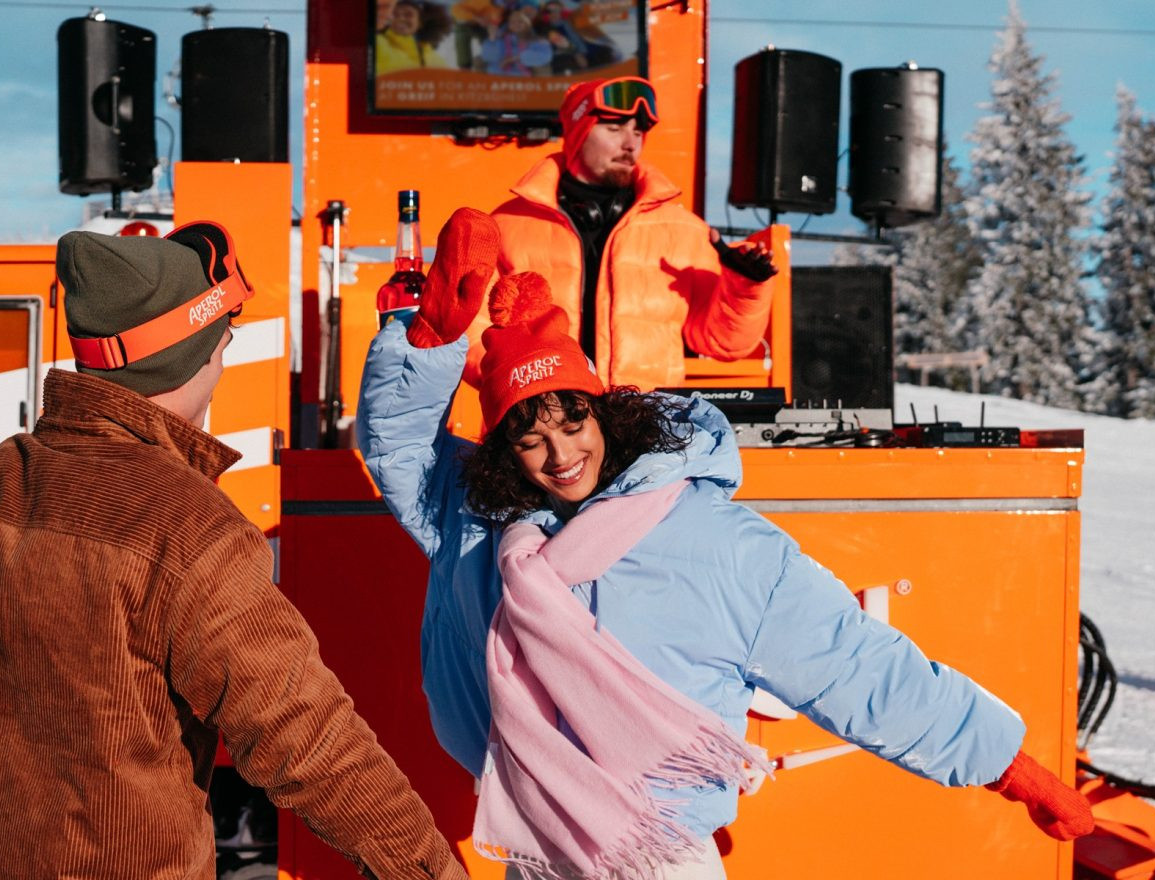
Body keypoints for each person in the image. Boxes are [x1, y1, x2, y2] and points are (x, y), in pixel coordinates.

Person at [357, 208, 1094, 879]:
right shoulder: (477, 524)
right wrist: (426, 344)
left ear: (606, 414)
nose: (560, 456)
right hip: (538, 855)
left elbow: (856, 667)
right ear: (502, 452)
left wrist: (1005, 765)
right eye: (530, 438)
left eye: (573, 422)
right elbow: (398, 447)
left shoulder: (715, 539)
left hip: (658, 859)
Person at [0, 224, 471, 880]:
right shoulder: (190, 530)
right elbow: (309, 739)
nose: (223, 363)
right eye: (222, 345)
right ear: (188, 354)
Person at [471, 76, 779, 392]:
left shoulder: (686, 231)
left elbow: (723, 343)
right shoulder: (506, 224)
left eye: (638, 131)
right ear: (578, 132)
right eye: (614, 128)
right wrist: (525, 392)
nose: (630, 143)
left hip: (647, 428)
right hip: (545, 429)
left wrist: (744, 287)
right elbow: (470, 330)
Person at [374, 0, 453, 75]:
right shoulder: (378, 43)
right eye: (394, 15)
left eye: (408, 14)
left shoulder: (435, 60)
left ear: (420, 22)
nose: (401, 18)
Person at [479, 6, 551, 75]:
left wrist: (514, 58)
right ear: (509, 25)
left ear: (527, 24)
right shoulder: (501, 36)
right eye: (513, 22)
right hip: (497, 74)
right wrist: (492, 38)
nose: (516, 24)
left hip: (520, 75)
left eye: (520, 21)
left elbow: (545, 56)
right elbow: (488, 57)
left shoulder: (535, 39)